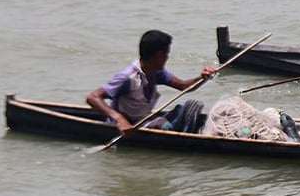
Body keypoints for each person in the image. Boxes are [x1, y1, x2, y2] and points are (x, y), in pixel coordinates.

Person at [86, 30, 217, 136]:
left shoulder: (157, 73)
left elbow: (184, 86)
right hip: (128, 127)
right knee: (162, 124)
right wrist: (120, 119)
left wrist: (203, 77)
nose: (167, 57)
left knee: (192, 106)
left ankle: (177, 131)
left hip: (144, 120)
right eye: (166, 54)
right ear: (159, 55)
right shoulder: (128, 78)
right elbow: (93, 97)